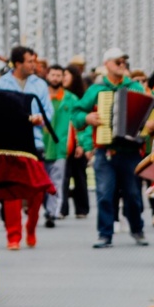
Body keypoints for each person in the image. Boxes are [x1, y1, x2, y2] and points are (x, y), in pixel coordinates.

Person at [73, 48, 150, 249]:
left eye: (124, 61)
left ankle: (137, 228)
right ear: (106, 64)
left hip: (130, 151)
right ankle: (105, 234)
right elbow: (77, 113)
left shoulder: (135, 87)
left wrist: (151, 125)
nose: (122, 64)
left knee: (133, 195)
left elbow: (150, 112)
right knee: (104, 194)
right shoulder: (96, 90)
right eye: (118, 61)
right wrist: (87, 117)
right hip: (105, 151)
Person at [0, 46, 53, 249]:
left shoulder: (40, 85)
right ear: (18, 63)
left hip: (35, 143)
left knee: (37, 190)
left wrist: (40, 119)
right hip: (10, 144)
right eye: (30, 61)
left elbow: (48, 113)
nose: (34, 65)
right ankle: (14, 236)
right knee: (12, 191)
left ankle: (31, 228)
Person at [43, 64, 77, 228]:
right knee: (40, 182)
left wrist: (82, 144)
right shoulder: (40, 96)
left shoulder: (71, 99)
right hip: (40, 146)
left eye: (59, 75)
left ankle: (52, 212)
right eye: (53, 75)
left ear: (63, 78)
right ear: (47, 76)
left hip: (60, 147)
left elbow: (79, 122)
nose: (55, 78)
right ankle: (44, 209)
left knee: (56, 182)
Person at [61, 65, 91, 219]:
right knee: (64, 176)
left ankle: (82, 209)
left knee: (80, 176)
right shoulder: (61, 95)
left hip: (77, 141)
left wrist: (82, 144)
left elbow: (82, 122)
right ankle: (62, 208)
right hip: (64, 142)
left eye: (66, 75)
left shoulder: (81, 97)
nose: (63, 78)